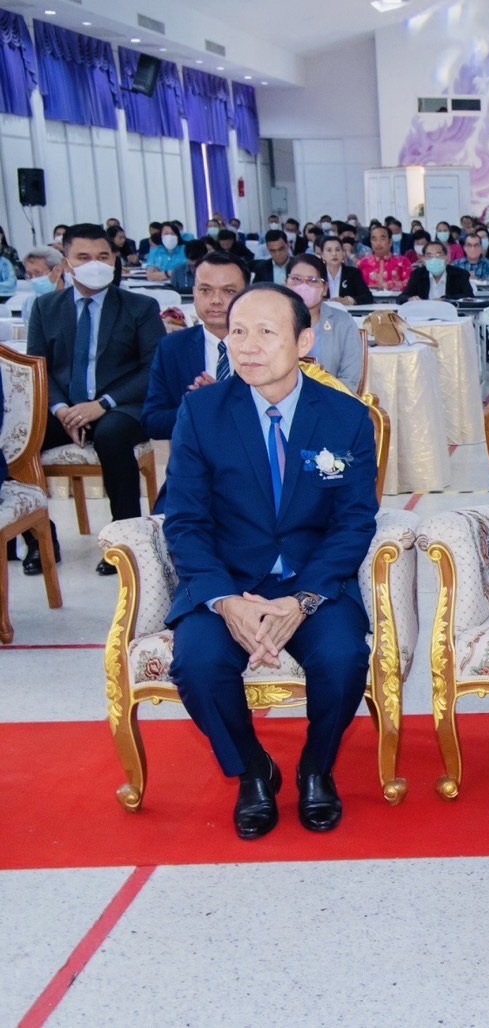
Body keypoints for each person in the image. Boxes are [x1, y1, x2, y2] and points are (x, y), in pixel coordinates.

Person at [163, 283, 377, 840]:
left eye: (266, 332)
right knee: (198, 664)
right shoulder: (202, 411)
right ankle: (253, 769)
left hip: (311, 580)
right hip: (226, 579)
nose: (248, 346)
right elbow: (184, 520)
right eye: (237, 332)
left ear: (304, 340)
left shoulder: (346, 418)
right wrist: (225, 600)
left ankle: (315, 767)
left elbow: (354, 521)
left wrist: (302, 599)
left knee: (342, 658)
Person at [24, 224, 162, 576]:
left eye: (103, 256)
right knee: (20, 439)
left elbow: (153, 368)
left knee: (112, 435)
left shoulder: (140, 306)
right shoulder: (45, 307)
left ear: (114, 259)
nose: (94, 264)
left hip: (121, 407)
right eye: (83, 257)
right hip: (65, 408)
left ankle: (125, 541)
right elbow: (39, 368)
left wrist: (102, 404)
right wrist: (61, 410)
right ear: (67, 263)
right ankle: (40, 539)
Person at [143, 252, 252, 448]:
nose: (216, 300)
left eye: (228, 291)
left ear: (247, 294)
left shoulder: (266, 346)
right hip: (194, 468)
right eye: (205, 290)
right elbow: (152, 422)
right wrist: (200, 405)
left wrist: (221, 400)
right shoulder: (173, 348)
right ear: (194, 293)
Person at [285, 255, 365, 394]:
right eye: (296, 279)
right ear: (285, 283)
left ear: (324, 288)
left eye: (313, 280)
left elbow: (350, 379)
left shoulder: (343, 323)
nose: (304, 286)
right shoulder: (272, 322)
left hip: (330, 404)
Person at [400, 240, 474, 301]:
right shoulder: (418, 274)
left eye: (438, 255)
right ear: (423, 260)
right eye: (429, 256)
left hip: (452, 315)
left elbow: (469, 297)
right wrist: (410, 299)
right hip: (424, 315)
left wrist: (445, 299)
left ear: (447, 258)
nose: (434, 259)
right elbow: (402, 297)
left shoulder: (460, 274)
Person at [357, 225, 411, 293]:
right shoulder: (362, 264)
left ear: (390, 242)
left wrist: (389, 285)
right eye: (374, 239)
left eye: (382, 239)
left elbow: (409, 284)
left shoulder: (403, 261)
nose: (378, 243)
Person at [321, 237, 373, 306]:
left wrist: (349, 300)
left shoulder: (353, 273)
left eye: (337, 250)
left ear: (343, 253)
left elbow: (368, 297)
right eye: (329, 250)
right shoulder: (318, 274)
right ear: (322, 255)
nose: (334, 254)